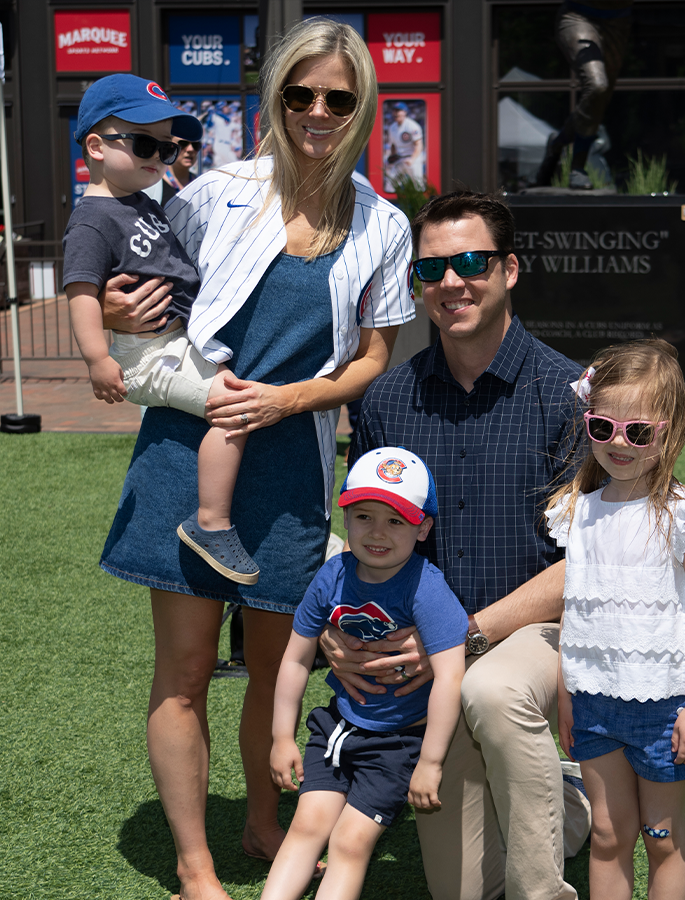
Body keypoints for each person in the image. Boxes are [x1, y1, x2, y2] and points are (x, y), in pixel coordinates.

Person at [95, 18, 414, 900]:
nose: (317, 111)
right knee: (187, 669)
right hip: (187, 452)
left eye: (337, 99)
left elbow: (373, 359)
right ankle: (195, 865)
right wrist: (120, 318)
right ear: (273, 99)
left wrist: (286, 400)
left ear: (362, 110)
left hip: (292, 467)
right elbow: (130, 284)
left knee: (278, 670)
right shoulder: (210, 193)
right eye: (299, 94)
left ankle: (263, 822)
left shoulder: (384, 226)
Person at [339, 190, 592, 900]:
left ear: (509, 269)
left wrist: (468, 637)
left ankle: (545, 890)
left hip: (534, 640)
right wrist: (341, 633)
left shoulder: (568, 395)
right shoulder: (387, 401)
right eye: (433, 270)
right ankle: (566, 803)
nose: (452, 283)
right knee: (461, 889)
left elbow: (589, 562)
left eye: (473, 262)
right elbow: (368, 540)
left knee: (491, 686)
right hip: (432, 658)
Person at [546, 339, 685, 900]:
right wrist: (565, 697)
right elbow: (574, 614)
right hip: (593, 703)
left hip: (665, 706)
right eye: (603, 428)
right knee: (606, 832)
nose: (619, 444)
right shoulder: (575, 511)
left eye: (639, 432)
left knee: (662, 838)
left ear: (670, 430)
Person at [62, 75, 264, 583]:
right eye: (145, 143)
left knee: (236, 394)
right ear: (96, 147)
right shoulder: (93, 219)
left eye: (169, 146)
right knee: (233, 407)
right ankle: (211, 523)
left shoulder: (144, 204)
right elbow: (82, 292)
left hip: (172, 341)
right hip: (146, 353)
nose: (161, 156)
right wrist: (97, 359)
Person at [263, 447, 468, 900]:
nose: (377, 532)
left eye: (395, 521)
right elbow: (296, 658)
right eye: (363, 516)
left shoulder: (427, 588)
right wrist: (281, 738)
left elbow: (450, 678)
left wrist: (430, 763)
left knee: (350, 842)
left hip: (398, 742)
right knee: (307, 826)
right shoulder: (331, 575)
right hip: (337, 727)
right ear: (346, 519)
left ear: (423, 528)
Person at [535, 0, 633, 190]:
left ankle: (559, 142)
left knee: (599, 100)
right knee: (597, 86)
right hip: (579, 16)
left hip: (618, 22)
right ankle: (577, 167)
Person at [383, 102, 425, 191]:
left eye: (398, 110)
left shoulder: (412, 126)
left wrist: (412, 160)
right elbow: (393, 145)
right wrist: (393, 156)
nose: (396, 113)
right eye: (394, 110)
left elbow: (419, 145)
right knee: (390, 185)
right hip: (400, 158)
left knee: (418, 186)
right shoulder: (392, 127)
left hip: (413, 158)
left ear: (405, 112)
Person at [161, 138, 200, 203]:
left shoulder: (200, 184)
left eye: (195, 145)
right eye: (183, 144)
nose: (191, 149)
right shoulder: (154, 184)